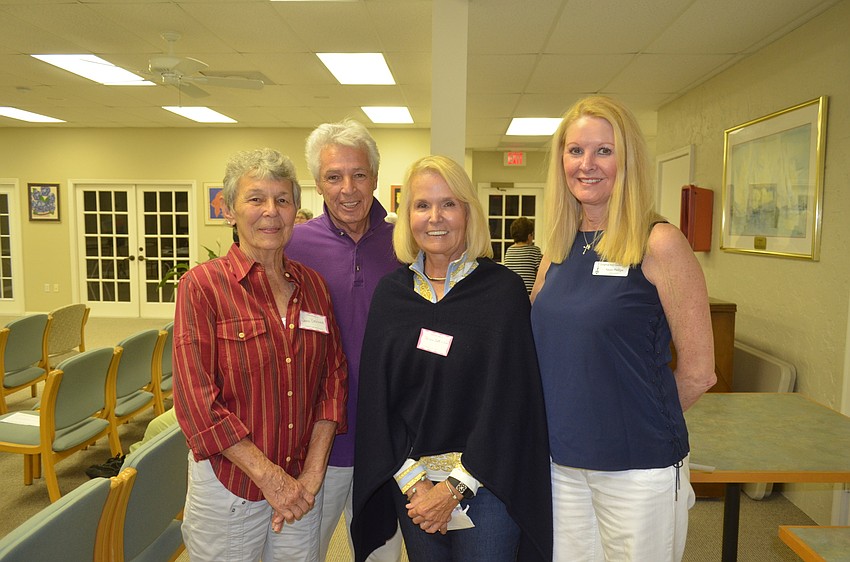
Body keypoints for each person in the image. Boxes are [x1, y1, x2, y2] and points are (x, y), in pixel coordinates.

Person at [530, 96, 717, 561]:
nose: (587, 165)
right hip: (561, 465)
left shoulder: (660, 243)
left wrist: (632, 417)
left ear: (627, 160)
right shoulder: (557, 248)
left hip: (638, 468)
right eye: (575, 151)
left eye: (604, 151)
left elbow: (699, 372)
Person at [351, 155, 552, 562]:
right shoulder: (391, 295)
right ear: (407, 216)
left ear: (468, 212)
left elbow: (513, 403)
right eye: (422, 205)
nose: (435, 217)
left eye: (449, 204)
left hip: (488, 485)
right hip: (414, 486)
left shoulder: (503, 293)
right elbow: (378, 400)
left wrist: (455, 487)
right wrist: (416, 484)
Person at [173, 148, 348, 562]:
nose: (271, 211)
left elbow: (333, 379)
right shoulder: (202, 287)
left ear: (295, 210)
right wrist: (271, 478)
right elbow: (197, 403)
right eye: (256, 199)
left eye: (282, 200)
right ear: (229, 210)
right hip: (230, 487)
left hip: (302, 486)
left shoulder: (313, 287)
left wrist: (312, 472)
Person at [285, 119, 402, 561]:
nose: (348, 188)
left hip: (388, 438)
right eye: (334, 177)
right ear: (318, 183)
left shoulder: (405, 244)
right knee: (302, 550)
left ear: (375, 175)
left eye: (359, 174)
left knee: (380, 554)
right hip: (318, 441)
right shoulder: (294, 247)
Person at [502, 216, 542, 294]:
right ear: (529, 236)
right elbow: (539, 276)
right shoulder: (535, 250)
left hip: (512, 292)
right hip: (529, 294)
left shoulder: (509, 251)